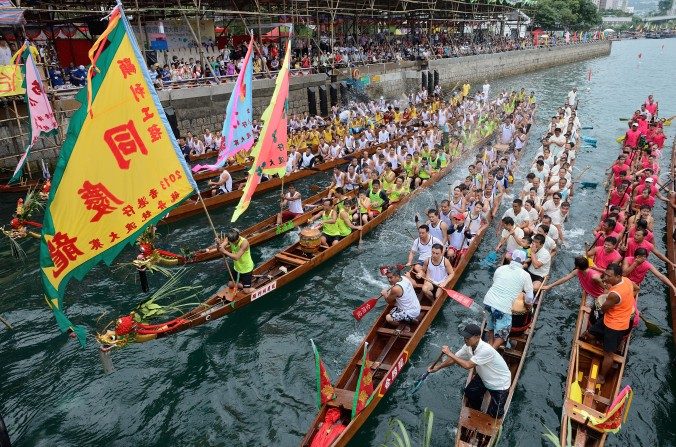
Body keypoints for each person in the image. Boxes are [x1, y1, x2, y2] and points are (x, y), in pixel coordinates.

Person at [426, 323, 511, 418]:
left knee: (496, 415)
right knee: (470, 393)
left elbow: (467, 365)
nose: (465, 340)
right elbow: (455, 358)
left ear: (478, 337)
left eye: (468, 338)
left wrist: (449, 353)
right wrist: (438, 367)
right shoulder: (468, 346)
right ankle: (478, 413)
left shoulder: (486, 350)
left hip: (499, 383)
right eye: (464, 337)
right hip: (484, 377)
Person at [582, 263, 637, 384]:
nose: (606, 278)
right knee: (589, 334)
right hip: (613, 318)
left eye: (609, 276)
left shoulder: (614, 295)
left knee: (609, 354)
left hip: (615, 325)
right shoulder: (627, 280)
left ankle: (601, 378)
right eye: (605, 275)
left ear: (617, 276)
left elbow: (603, 309)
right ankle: (600, 344)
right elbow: (636, 289)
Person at [482, 249, 534, 348]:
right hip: (503, 307)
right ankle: (491, 351)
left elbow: (495, 282)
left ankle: (490, 344)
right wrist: (528, 305)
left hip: (488, 301)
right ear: (523, 262)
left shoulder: (500, 269)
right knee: (503, 335)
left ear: (511, 258)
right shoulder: (525, 275)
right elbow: (530, 297)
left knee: (491, 326)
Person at [218, 229, 255, 294]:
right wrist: (218, 245)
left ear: (238, 237)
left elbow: (236, 257)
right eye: (231, 242)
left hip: (246, 269)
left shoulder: (244, 242)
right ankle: (244, 286)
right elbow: (220, 249)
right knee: (230, 284)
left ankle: (251, 289)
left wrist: (224, 251)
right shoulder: (229, 237)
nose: (233, 243)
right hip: (237, 267)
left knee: (246, 291)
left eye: (234, 242)